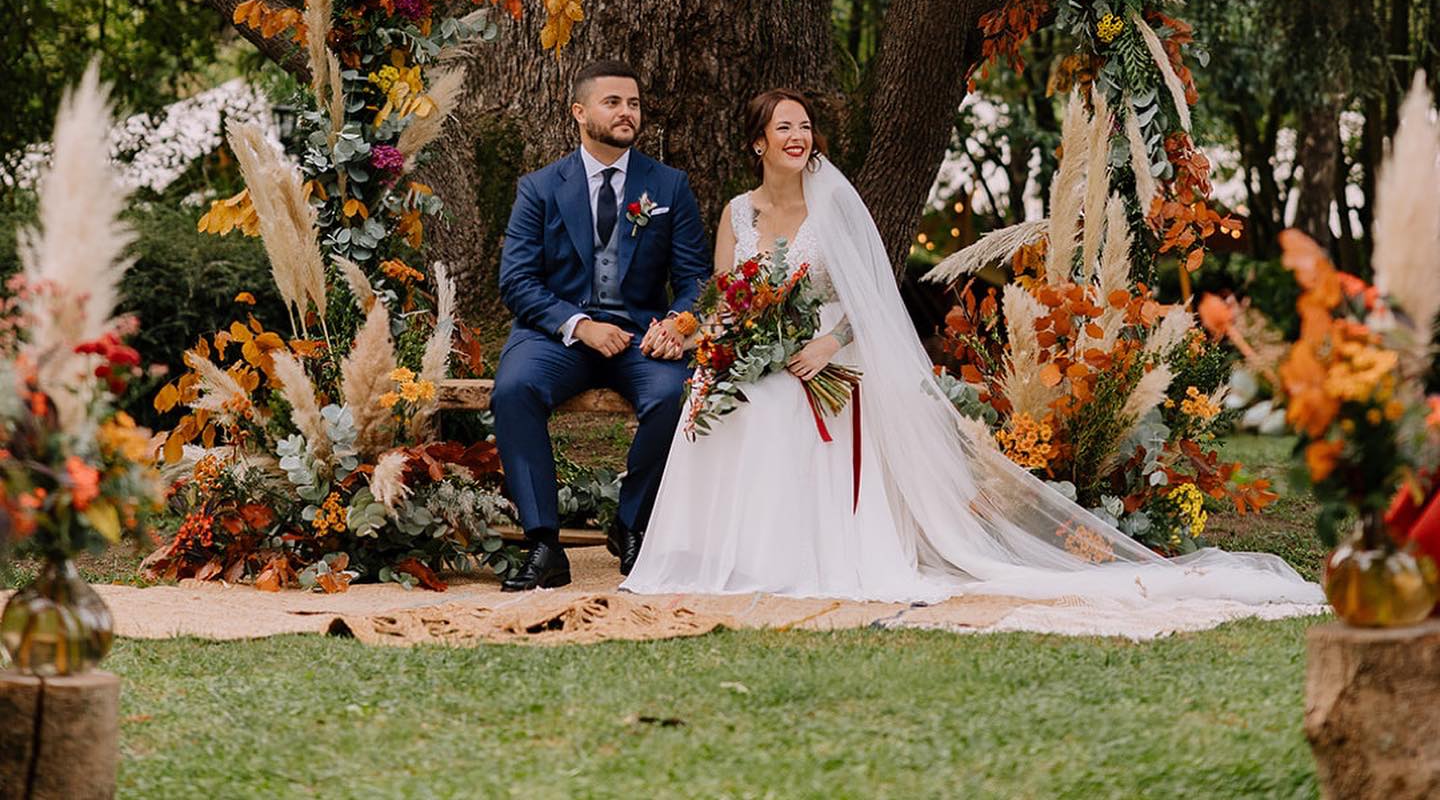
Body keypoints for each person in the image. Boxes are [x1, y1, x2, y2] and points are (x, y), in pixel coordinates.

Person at [623, 88, 1325, 636]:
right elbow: (724, 299)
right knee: (714, 401)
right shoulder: (738, 214)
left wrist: (826, 345)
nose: (798, 136)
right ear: (758, 142)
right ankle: (715, 556)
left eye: (804, 125)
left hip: (834, 356)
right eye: (784, 127)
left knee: (776, 405)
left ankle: (784, 560)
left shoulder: (835, 207)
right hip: (758, 352)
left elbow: (870, 310)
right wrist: (711, 344)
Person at [492, 59, 711, 591]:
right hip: (557, 336)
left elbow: (697, 279)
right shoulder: (540, 188)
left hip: (641, 334)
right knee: (514, 389)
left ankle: (632, 524)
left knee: (676, 394)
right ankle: (544, 543)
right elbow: (516, 281)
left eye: (633, 103)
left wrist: (680, 326)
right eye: (612, 102)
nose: (626, 112)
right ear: (579, 112)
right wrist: (578, 324)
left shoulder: (668, 186)